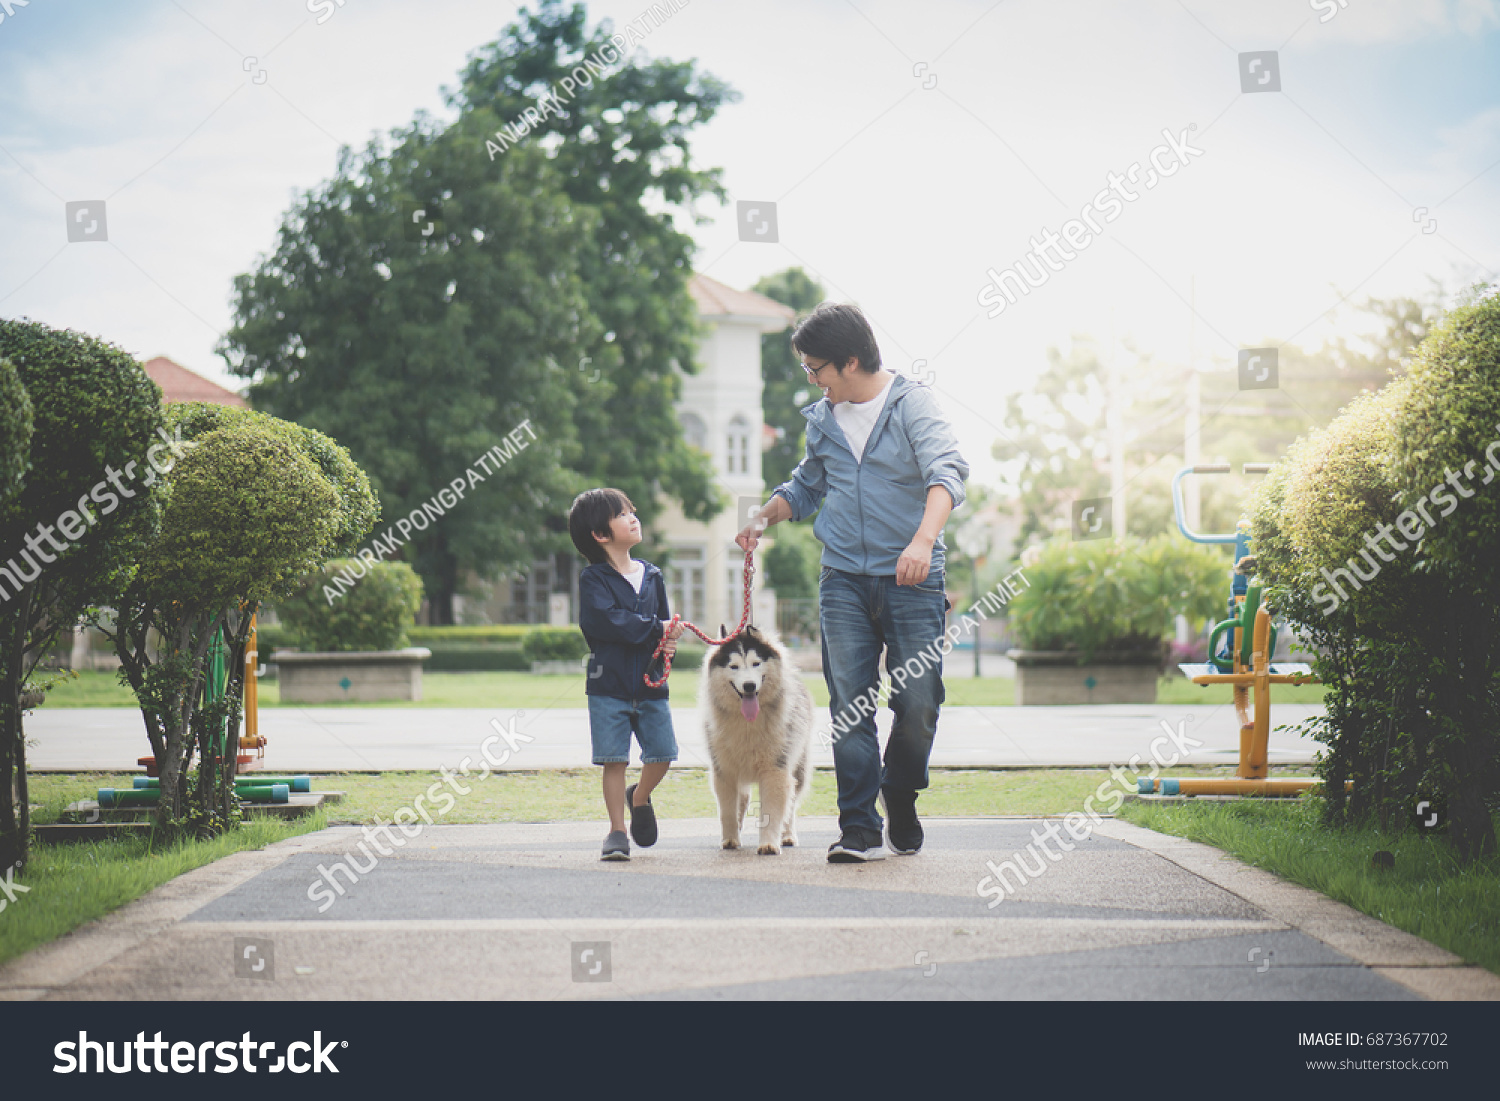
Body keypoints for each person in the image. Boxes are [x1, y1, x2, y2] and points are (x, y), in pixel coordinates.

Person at [736, 303, 968, 863]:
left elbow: (949, 473)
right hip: (842, 578)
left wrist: (922, 541)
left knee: (919, 700)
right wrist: (763, 517)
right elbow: (807, 485)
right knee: (850, 706)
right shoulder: (822, 419)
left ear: (852, 361)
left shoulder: (913, 407)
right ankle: (858, 827)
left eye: (817, 369)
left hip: (911, 579)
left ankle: (901, 792)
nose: (812, 381)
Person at [570, 488, 686, 861]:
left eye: (631, 511)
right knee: (613, 759)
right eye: (622, 514)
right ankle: (617, 831)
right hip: (609, 686)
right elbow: (608, 622)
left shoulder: (652, 575)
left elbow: (663, 623)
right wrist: (657, 628)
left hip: (651, 683)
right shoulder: (593, 580)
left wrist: (669, 639)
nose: (633, 517)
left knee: (664, 754)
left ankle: (639, 796)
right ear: (600, 535)